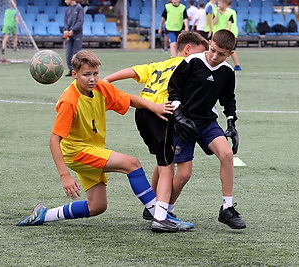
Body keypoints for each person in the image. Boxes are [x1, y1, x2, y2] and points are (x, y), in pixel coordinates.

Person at [16, 51, 175, 230]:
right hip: (77, 153)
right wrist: (65, 176)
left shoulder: (100, 87)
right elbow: (54, 140)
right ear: (74, 74)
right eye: (86, 75)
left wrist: (154, 107)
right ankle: (160, 216)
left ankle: (44, 215)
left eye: (95, 74)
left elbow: (128, 99)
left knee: (97, 206)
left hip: (91, 149)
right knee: (132, 164)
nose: (92, 79)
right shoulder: (69, 101)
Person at [103, 32, 208, 232]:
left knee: (162, 161)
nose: (203, 58)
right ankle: (161, 217)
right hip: (160, 113)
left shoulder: (160, 64)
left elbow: (132, 71)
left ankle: (153, 208)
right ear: (188, 50)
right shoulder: (188, 66)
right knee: (168, 167)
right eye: (200, 53)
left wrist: (106, 80)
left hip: (142, 113)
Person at [167, 29, 246, 229]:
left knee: (227, 154)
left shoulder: (227, 71)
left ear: (230, 54)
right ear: (210, 43)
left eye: (221, 54)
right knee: (184, 174)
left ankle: (227, 209)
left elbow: (228, 98)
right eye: (213, 50)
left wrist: (231, 122)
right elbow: (173, 88)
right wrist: (178, 116)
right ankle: (165, 210)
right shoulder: (191, 62)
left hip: (207, 122)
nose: (214, 56)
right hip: (184, 122)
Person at [213, 0, 242, 70]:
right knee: (223, 50)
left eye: (220, 3)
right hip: (219, 33)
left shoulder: (231, 12)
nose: (218, 5)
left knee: (228, 50)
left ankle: (233, 65)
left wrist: (227, 34)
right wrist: (217, 13)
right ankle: (225, 65)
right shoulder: (215, 11)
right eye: (218, 3)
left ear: (225, 4)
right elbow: (214, 22)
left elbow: (230, 24)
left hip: (229, 34)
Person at [64, 0, 84, 77]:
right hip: (69, 34)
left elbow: (80, 21)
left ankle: (78, 70)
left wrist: (73, 30)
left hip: (77, 34)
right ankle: (71, 69)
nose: (65, 1)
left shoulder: (79, 8)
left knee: (77, 53)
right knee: (68, 53)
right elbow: (65, 21)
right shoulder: (67, 9)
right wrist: (66, 30)